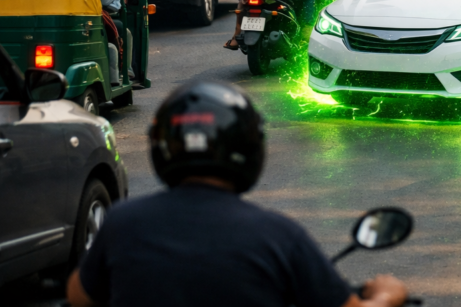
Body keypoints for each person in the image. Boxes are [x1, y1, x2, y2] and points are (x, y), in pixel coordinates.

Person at [66, 81, 409, 307]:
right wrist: (386, 296)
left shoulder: (123, 223)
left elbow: (79, 295)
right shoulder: (278, 235)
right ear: (251, 149)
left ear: (161, 147)